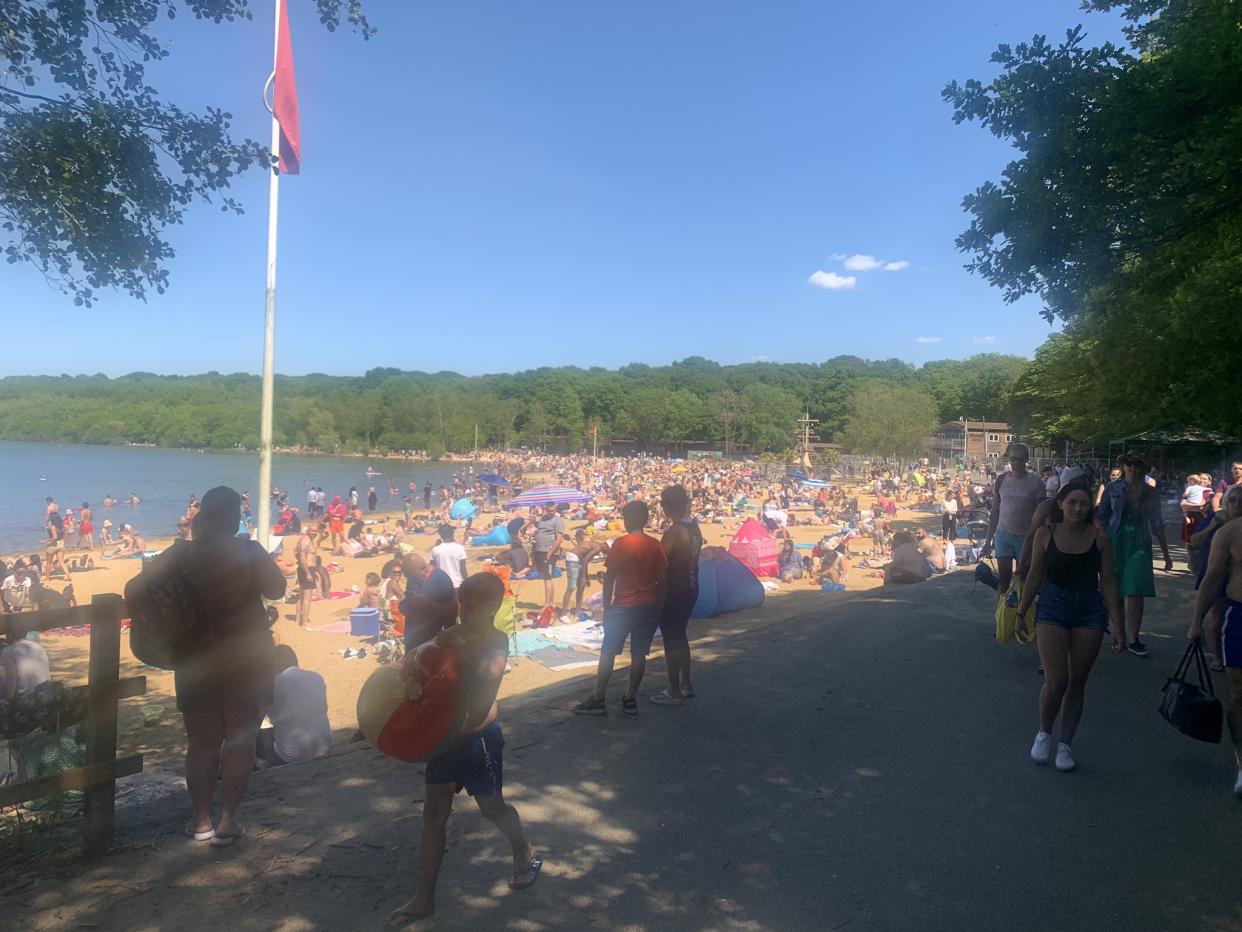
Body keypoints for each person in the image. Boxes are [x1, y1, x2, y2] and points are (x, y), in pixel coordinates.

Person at [388, 573, 541, 925]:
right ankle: (423, 897)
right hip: (444, 740)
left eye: (473, 605)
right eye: (462, 604)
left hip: (479, 740)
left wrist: (461, 646)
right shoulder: (452, 634)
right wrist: (411, 677)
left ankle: (522, 848)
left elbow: (489, 679)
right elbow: (412, 658)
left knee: (493, 809)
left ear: (493, 607)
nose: (464, 612)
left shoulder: (497, 641)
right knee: (433, 814)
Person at [152, 486, 286, 845]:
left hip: (196, 658)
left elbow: (138, 589)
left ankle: (199, 821)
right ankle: (227, 821)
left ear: (203, 516)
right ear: (234, 517)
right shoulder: (249, 551)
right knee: (240, 740)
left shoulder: (180, 555)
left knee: (201, 743)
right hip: (247, 656)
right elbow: (277, 589)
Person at [1016, 485, 1123, 772]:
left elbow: (1109, 582)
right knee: (1056, 680)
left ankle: (1065, 744)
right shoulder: (1045, 534)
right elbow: (1035, 574)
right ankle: (1043, 733)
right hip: (1052, 606)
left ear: (1090, 508)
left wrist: (1119, 624)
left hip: (1089, 611)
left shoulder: (1101, 540)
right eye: (1072, 502)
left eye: (1084, 504)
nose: (1078, 508)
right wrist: (1022, 610)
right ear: (1061, 503)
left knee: (1077, 682)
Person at [574, 501, 668, 716]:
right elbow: (663, 579)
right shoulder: (655, 545)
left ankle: (599, 698)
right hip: (648, 605)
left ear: (628, 520)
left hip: (624, 606)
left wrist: (607, 606)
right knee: (638, 655)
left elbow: (610, 578)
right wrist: (659, 606)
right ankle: (630, 698)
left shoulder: (621, 544)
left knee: (608, 652)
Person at [1188, 485, 1242, 798]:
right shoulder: (1228, 534)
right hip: (1238, 616)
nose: (1236, 504)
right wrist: (1197, 622)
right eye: (1232, 499)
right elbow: (1211, 579)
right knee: (1238, 691)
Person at [1096, 452, 1172, 658]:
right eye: (1129, 464)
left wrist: (1166, 555)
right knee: (1116, 590)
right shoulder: (1112, 489)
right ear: (1123, 466)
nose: (1133, 468)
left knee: (1136, 590)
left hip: (1139, 542)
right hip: (1115, 540)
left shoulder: (1150, 492)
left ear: (1143, 468)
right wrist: (1099, 542)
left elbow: (1157, 523)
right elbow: (1101, 517)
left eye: (1137, 464)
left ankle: (1133, 638)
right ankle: (1119, 633)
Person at [650, 485, 703, 706]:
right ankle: (686, 684)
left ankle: (673, 690)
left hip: (674, 588)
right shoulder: (695, 529)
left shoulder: (674, 532)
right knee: (680, 635)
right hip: (691, 586)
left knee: (671, 638)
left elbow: (659, 564)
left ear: (667, 506)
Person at [984, 443, 1047, 603]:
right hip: (1003, 534)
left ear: (1027, 460)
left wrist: (1041, 541)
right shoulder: (1001, 480)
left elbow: (1042, 514)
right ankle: (1001, 617)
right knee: (1003, 578)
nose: (1016, 463)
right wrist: (987, 540)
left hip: (1025, 537)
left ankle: (1022, 615)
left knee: (1024, 579)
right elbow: (995, 511)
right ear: (1009, 460)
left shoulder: (1035, 482)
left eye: (1020, 460)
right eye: (1013, 459)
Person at [255, 646, 332, 768]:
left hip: (289, 755)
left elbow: (256, 721)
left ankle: (257, 768)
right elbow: (323, 709)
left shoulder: (273, 684)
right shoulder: (316, 677)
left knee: (252, 736)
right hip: (324, 747)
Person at [400, 554, 458, 651]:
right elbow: (410, 599)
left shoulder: (440, 579)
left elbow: (453, 611)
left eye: (411, 575)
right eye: (407, 576)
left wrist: (428, 604)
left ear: (424, 569)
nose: (409, 579)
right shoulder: (413, 578)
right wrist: (404, 605)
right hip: (412, 640)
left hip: (431, 641)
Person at [561, 529, 608, 614]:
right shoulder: (598, 547)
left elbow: (584, 560)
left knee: (581, 586)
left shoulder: (595, 544)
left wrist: (586, 577)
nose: (606, 553)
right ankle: (563, 613)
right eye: (608, 551)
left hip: (578, 560)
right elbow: (585, 560)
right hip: (573, 558)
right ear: (606, 546)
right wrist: (584, 577)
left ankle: (577, 612)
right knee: (571, 587)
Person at [529, 504, 565, 611]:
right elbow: (538, 531)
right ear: (545, 510)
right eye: (549, 511)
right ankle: (551, 603)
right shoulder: (542, 519)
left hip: (549, 552)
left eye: (553, 511)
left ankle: (547, 604)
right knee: (546, 577)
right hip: (540, 551)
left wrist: (550, 553)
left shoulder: (557, 520)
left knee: (547, 578)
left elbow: (558, 539)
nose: (551, 512)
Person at [1, 631, 51, 701]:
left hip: (26, 696)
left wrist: (9, 700)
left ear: (9, 635)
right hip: (44, 691)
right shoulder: (38, 647)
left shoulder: (9, 651)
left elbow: (11, 677)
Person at [294, 524, 319, 628]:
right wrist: (308, 573)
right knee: (307, 598)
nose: (314, 533)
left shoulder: (307, 540)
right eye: (312, 531)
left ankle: (298, 620)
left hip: (305, 569)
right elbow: (303, 557)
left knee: (302, 596)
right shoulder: (306, 541)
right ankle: (304, 623)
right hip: (307, 570)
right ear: (308, 530)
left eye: (316, 531)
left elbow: (295, 551)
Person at [430, 525, 467, 589]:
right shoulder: (460, 548)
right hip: (456, 584)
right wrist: (467, 582)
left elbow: (431, 569)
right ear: (452, 534)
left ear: (441, 535)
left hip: (441, 585)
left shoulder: (435, 550)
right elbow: (463, 568)